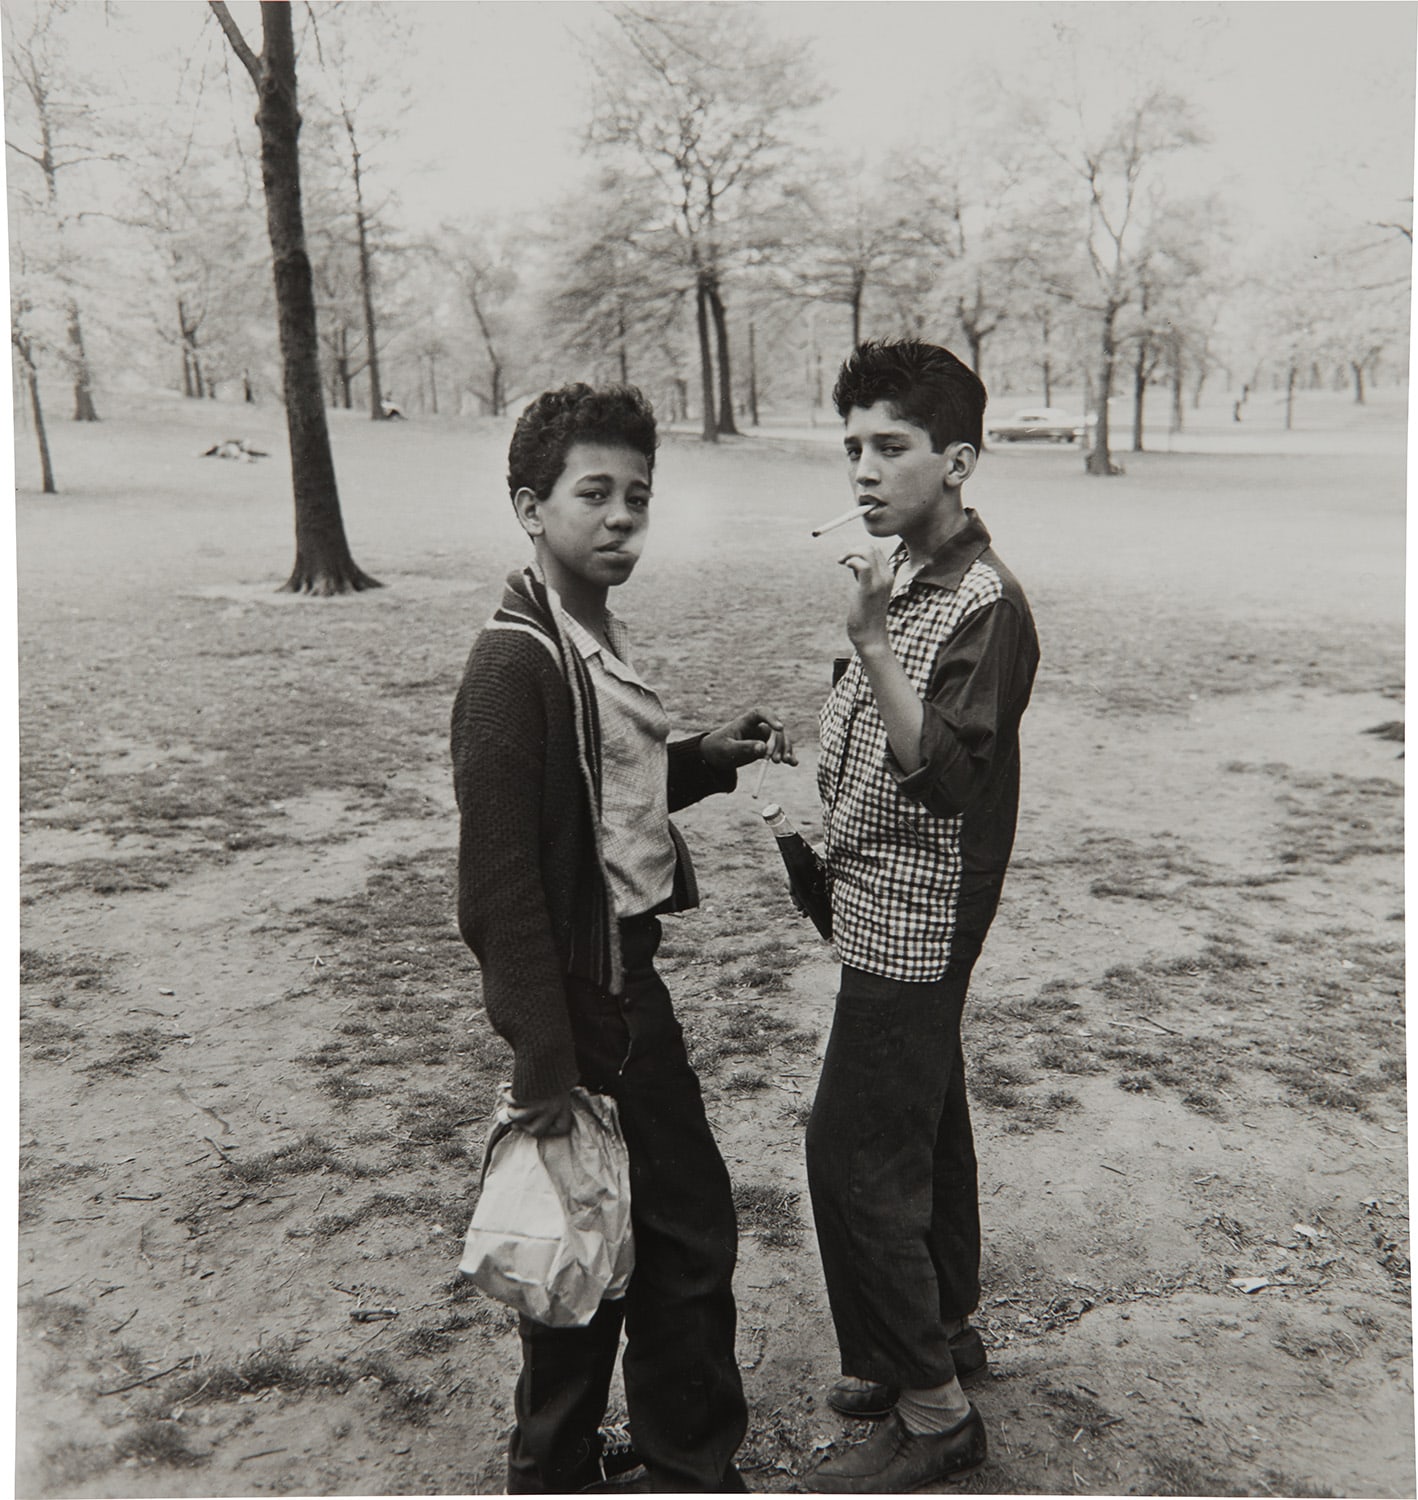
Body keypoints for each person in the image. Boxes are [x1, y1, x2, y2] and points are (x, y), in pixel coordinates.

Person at [451, 382, 795, 1494]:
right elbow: (501, 890)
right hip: (589, 1001)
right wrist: (544, 1059)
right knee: (660, 1232)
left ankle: (570, 1466)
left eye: (636, 496)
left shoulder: (586, 632)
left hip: (615, 982)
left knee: (602, 1230)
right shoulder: (514, 666)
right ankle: (675, 1464)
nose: (618, 518)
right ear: (527, 505)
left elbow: (607, 806)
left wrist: (703, 753)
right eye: (591, 493)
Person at [804, 340, 1039, 1493]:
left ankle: (933, 1411)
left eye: (887, 446)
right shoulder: (910, 570)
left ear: (956, 459)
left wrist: (865, 642)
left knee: (853, 1150)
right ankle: (941, 1332)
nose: (861, 468)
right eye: (850, 445)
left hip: (923, 906)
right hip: (881, 894)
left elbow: (944, 773)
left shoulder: (983, 601)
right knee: (923, 1122)